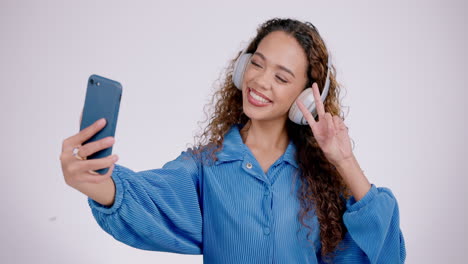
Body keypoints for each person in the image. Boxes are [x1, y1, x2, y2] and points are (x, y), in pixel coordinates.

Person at [60, 18, 406, 263]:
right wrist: (92, 180)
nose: (260, 81)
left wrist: (344, 160)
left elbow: (387, 254)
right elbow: (145, 202)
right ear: (242, 69)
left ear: (305, 99)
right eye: (257, 64)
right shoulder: (204, 167)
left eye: (281, 77)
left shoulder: (321, 181)